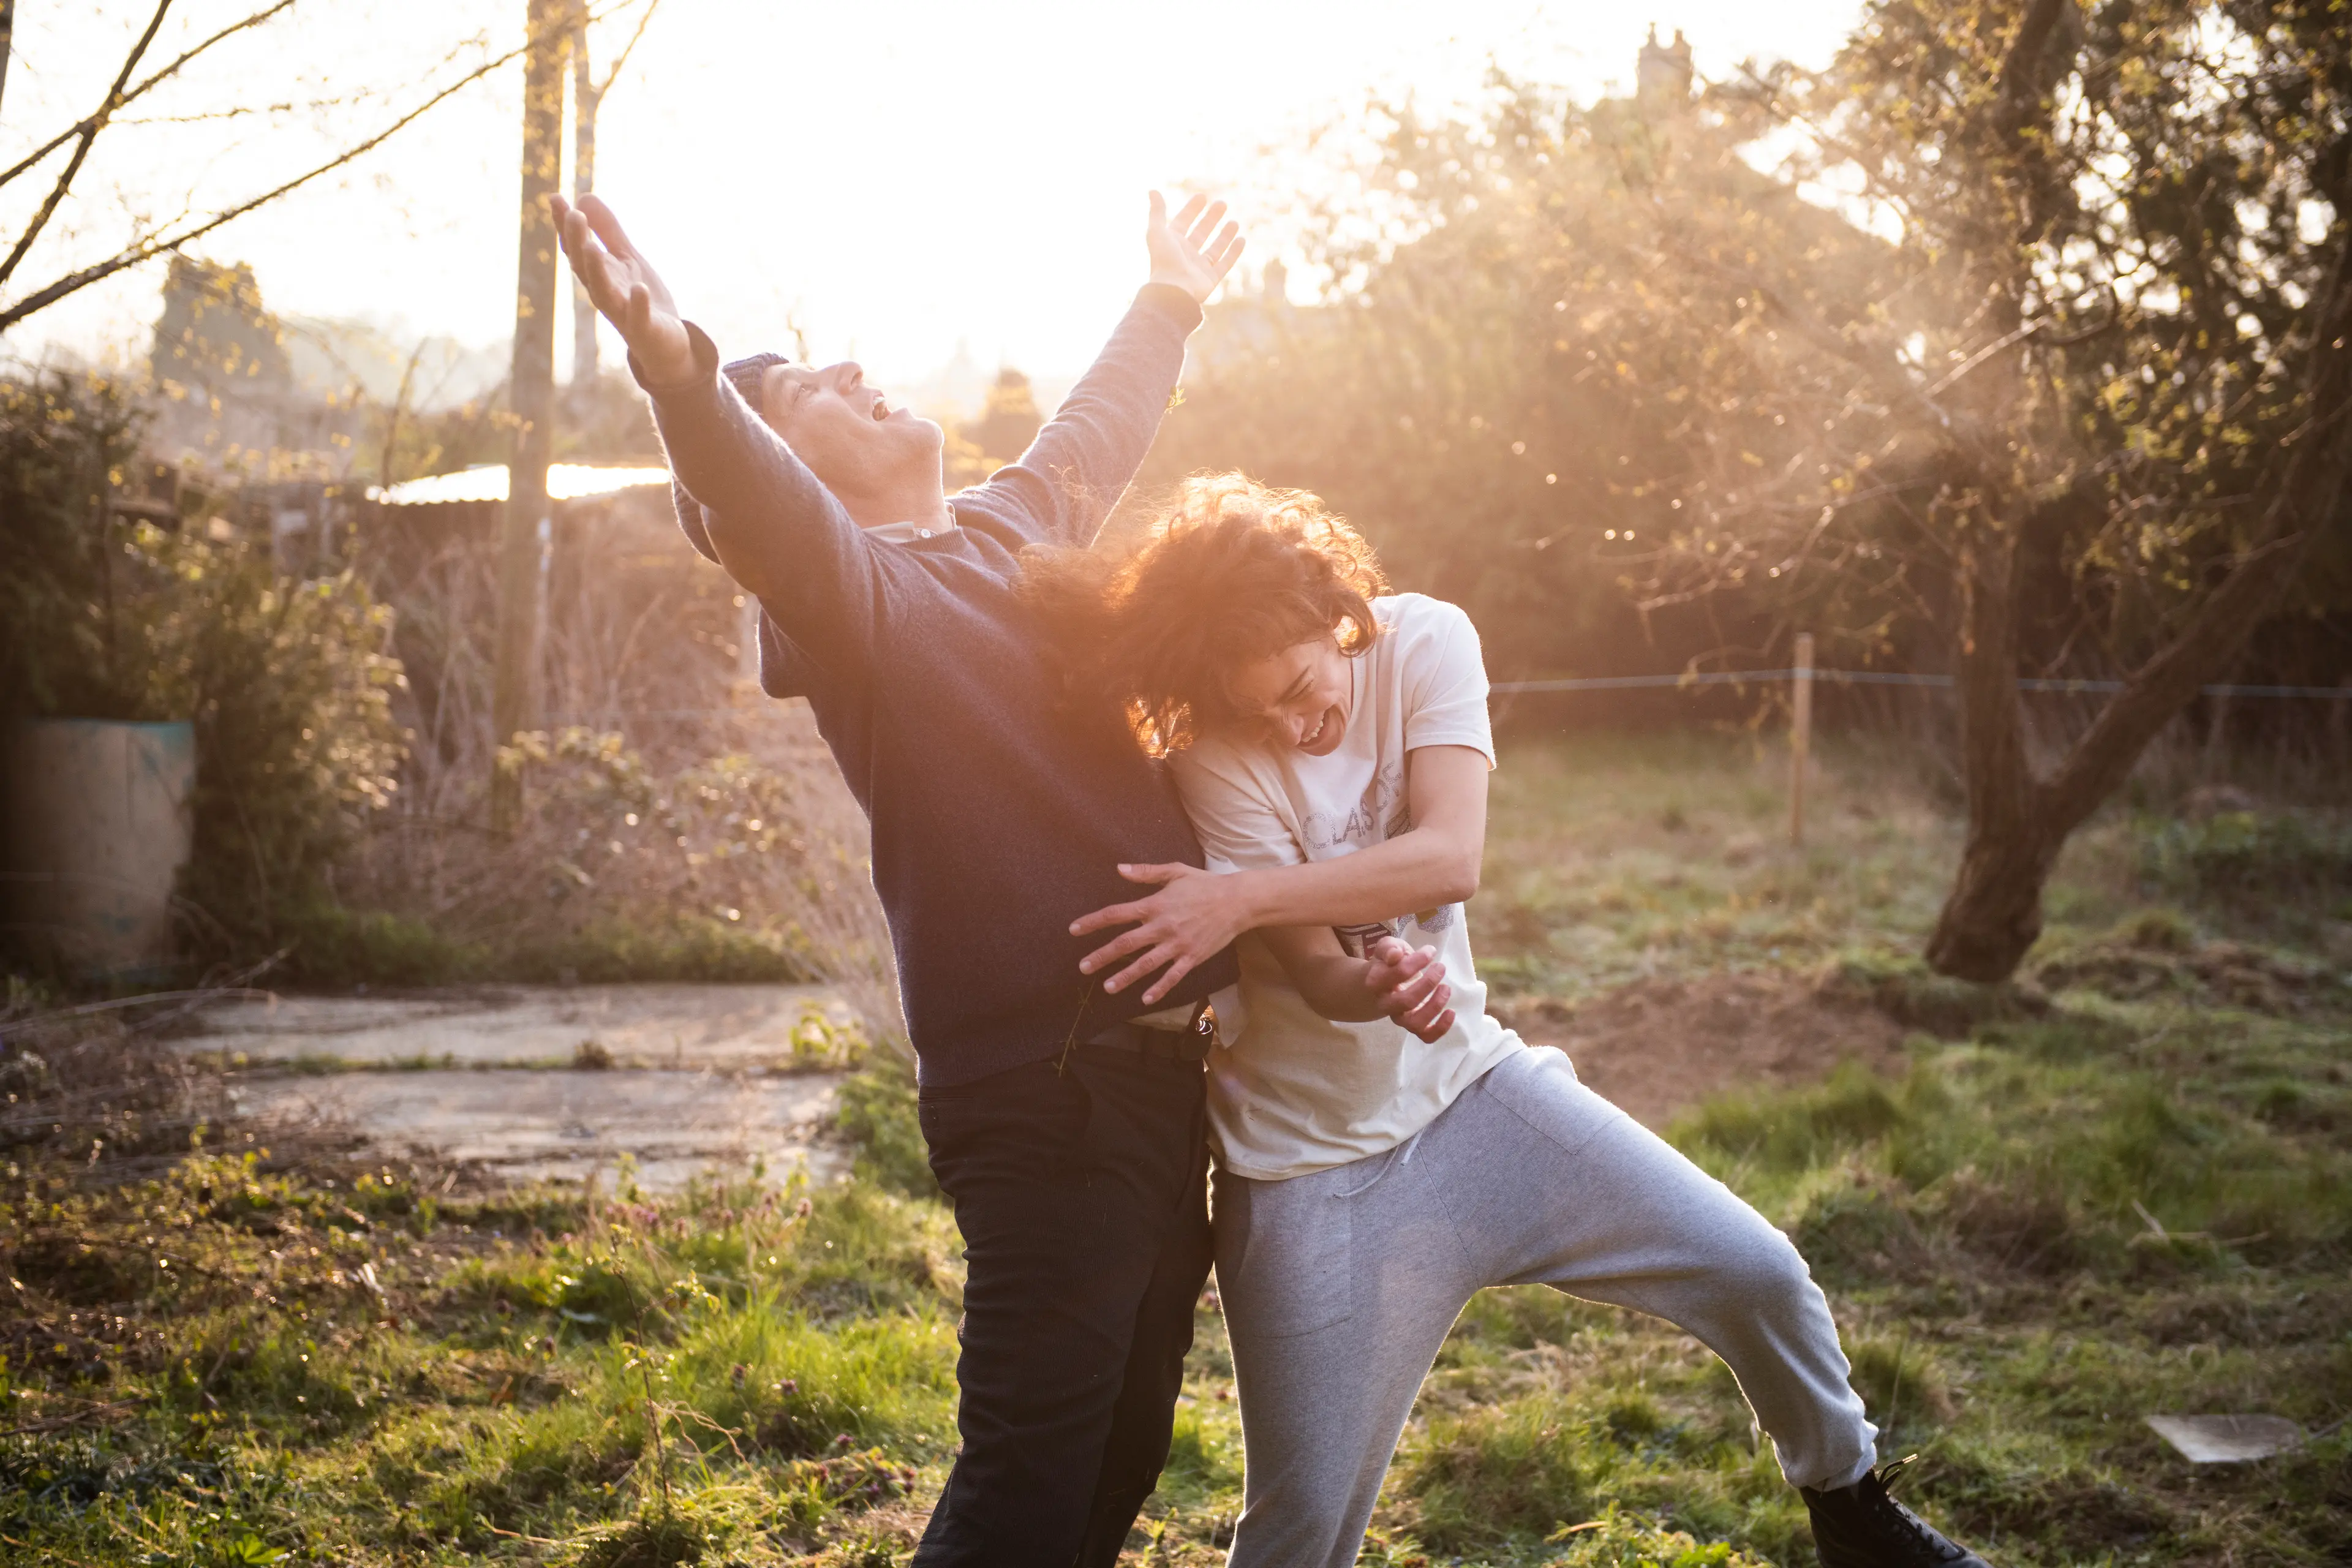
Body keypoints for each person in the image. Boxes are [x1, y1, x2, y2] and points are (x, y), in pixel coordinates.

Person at [1035, 474, 1996, 1568]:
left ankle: (1853, 1511)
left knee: (1756, 1271)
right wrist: (1380, 977)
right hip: (1311, 1174)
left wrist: (1241, 898)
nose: (1294, 726)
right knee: (1299, 1533)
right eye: (1261, 713)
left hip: (1475, 1097)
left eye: (1302, 686)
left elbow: (1454, 856)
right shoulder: (1214, 755)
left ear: (1334, 610)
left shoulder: (1427, 642)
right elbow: (1316, 978)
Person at [552, 190, 1290, 1568]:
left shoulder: (1012, 535)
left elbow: (1098, 424)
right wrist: (686, 378)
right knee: (1025, 1484)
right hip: (1050, 1096)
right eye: (799, 397)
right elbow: (758, 508)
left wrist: (1170, 298)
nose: (843, 371)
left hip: (1156, 1086)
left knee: (1119, 1454)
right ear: (789, 481)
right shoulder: (861, 606)